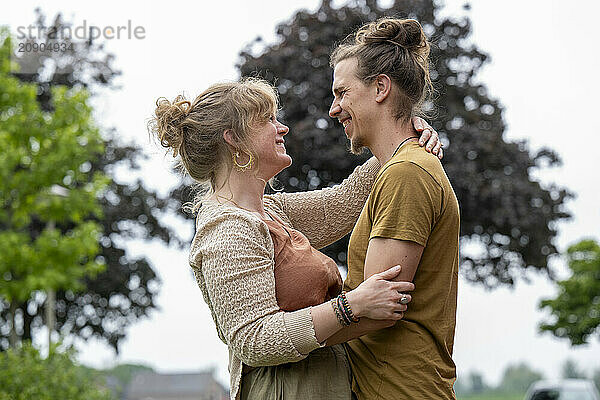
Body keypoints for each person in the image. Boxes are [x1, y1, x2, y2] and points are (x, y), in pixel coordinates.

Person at [149, 78, 442, 400]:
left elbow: (346, 200)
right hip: (284, 389)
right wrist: (353, 305)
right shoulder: (227, 231)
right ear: (234, 139)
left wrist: (400, 139)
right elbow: (254, 339)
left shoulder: (271, 211)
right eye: (267, 120)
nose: (282, 128)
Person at [327, 17, 461, 399]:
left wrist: (278, 334)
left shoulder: (407, 173)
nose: (335, 109)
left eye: (342, 93)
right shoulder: (402, 167)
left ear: (381, 88)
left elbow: (375, 306)